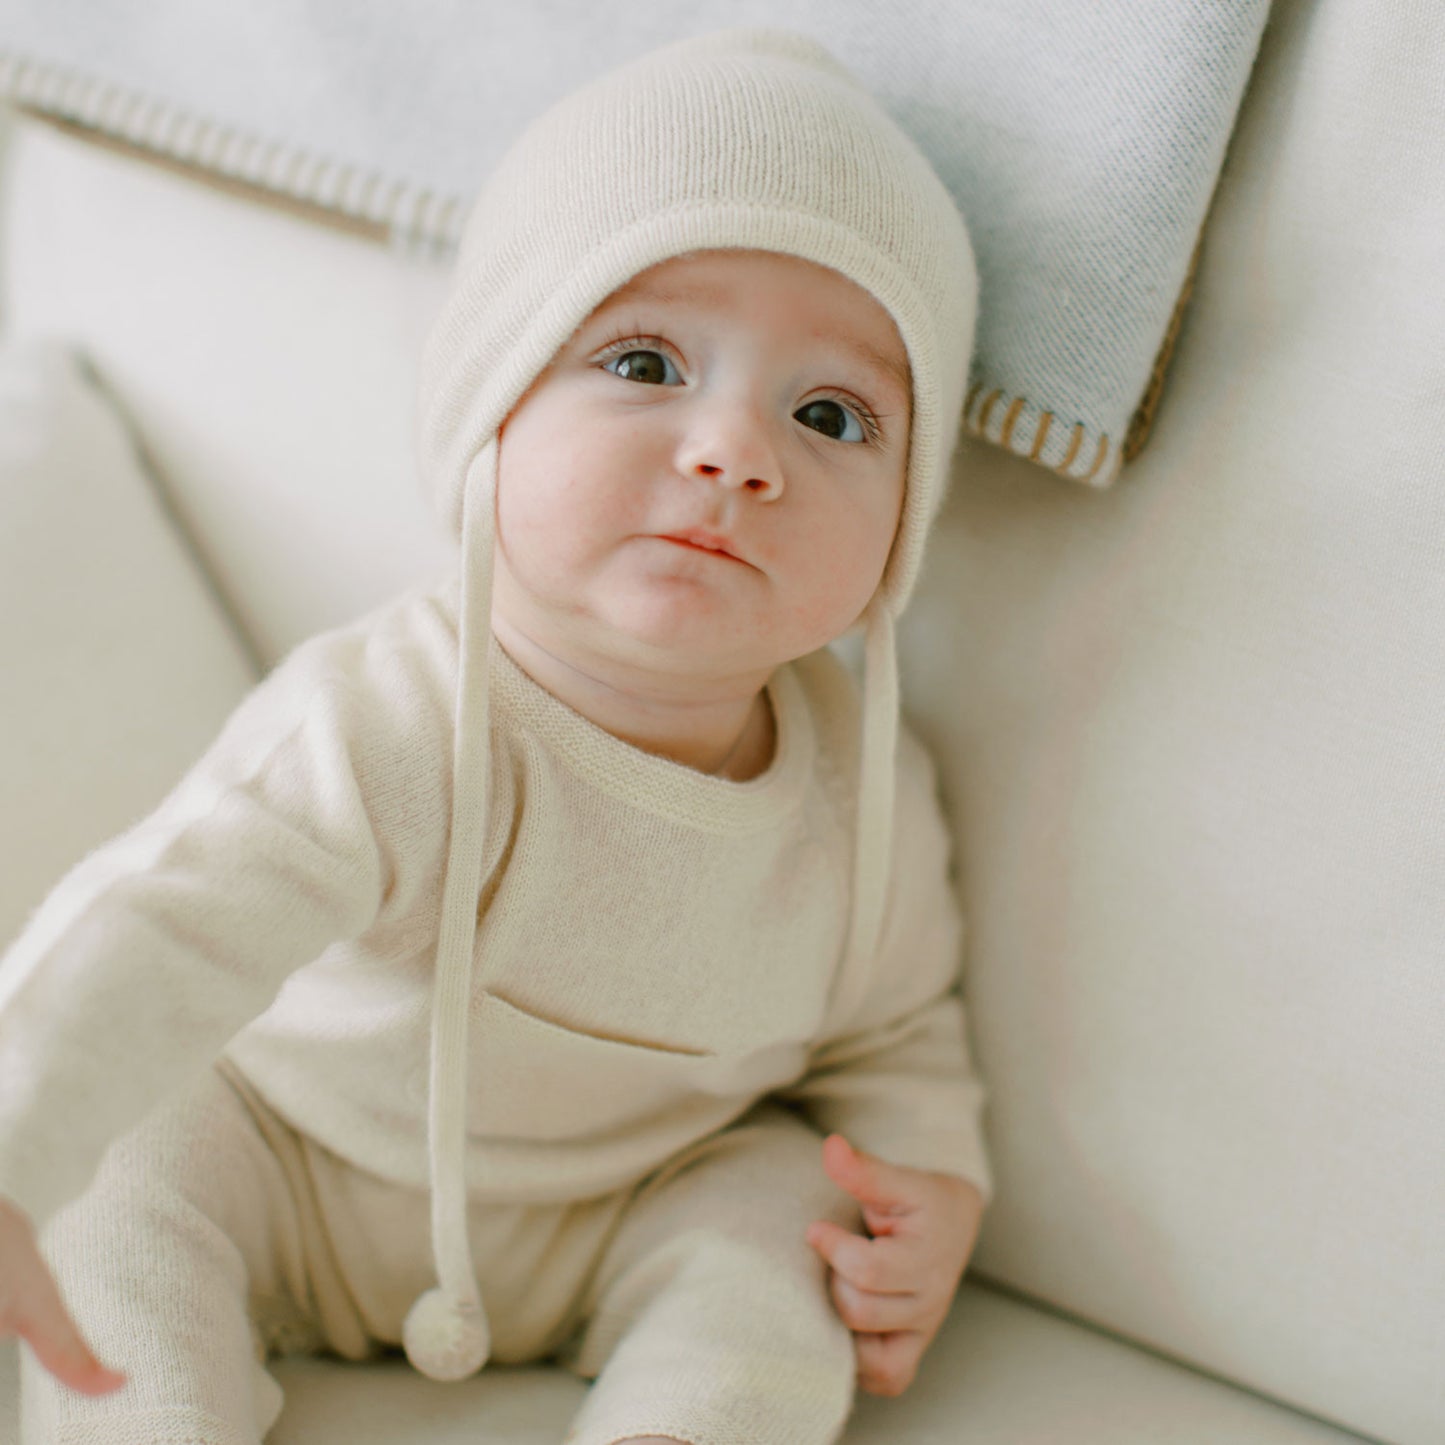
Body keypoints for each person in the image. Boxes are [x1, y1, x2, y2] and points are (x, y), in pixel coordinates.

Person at [0, 26, 994, 1445]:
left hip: (641, 1193)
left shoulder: (865, 793)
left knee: (786, 1227)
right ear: (486, 408)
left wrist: (928, 1183)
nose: (733, 451)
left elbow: (898, 1035)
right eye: (646, 360)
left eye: (830, 412)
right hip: (286, 1153)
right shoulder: (388, 713)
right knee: (128, 1184)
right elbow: (162, 923)